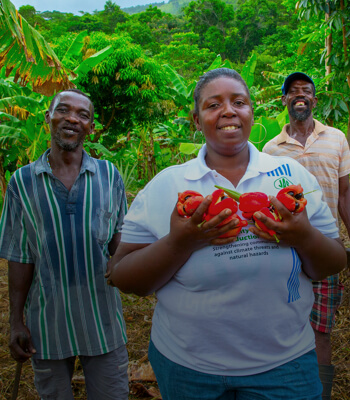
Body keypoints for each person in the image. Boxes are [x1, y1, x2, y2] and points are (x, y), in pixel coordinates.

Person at [106, 68, 346, 400]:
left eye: (239, 102)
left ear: (251, 112)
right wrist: (182, 241)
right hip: (188, 367)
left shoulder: (292, 176)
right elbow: (124, 277)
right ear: (196, 119)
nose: (228, 111)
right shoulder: (167, 185)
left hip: (285, 365)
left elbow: (331, 263)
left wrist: (302, 236)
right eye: (213, 105)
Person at [0, 89, 129, 400]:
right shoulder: (22, 182)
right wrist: (15, 321)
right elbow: (20, 255)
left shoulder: (109, 176)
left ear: (91, 127)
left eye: (83, 115)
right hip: (47, 324)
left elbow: (120, 245)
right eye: (64, 110)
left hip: (103, 321)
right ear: (49, 118)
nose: (73, 118)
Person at [263, 72, 350, 399]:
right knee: (282, 328)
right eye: (293, 91)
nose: (300, 96)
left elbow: (344, 195)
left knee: (321, 331)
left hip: (327, 250)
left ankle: (319, 394)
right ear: (284, 100)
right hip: (284, 253)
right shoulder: (271, 149)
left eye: (307, 91)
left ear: (314, 100)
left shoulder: (337, 139)